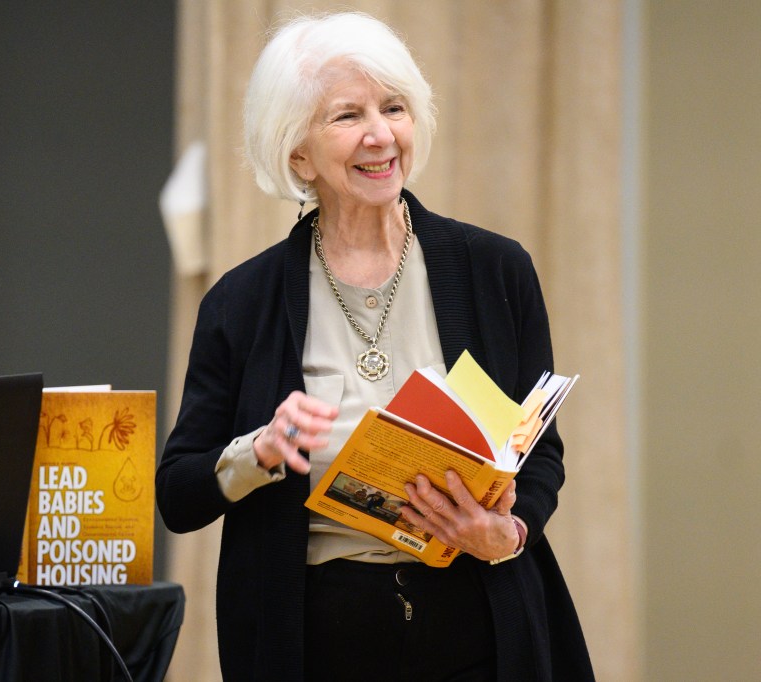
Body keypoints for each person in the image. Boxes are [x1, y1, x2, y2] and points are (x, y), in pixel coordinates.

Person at [156, 11, 593, 682]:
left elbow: (542, 456)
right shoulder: (240, 303)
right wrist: (259, 450)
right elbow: (179, 494)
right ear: (296, 153)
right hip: (313, 643)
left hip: (481, 627)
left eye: (394, 107)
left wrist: (507, 534)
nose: (381, 135)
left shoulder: (495, 269)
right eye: (346, 116)